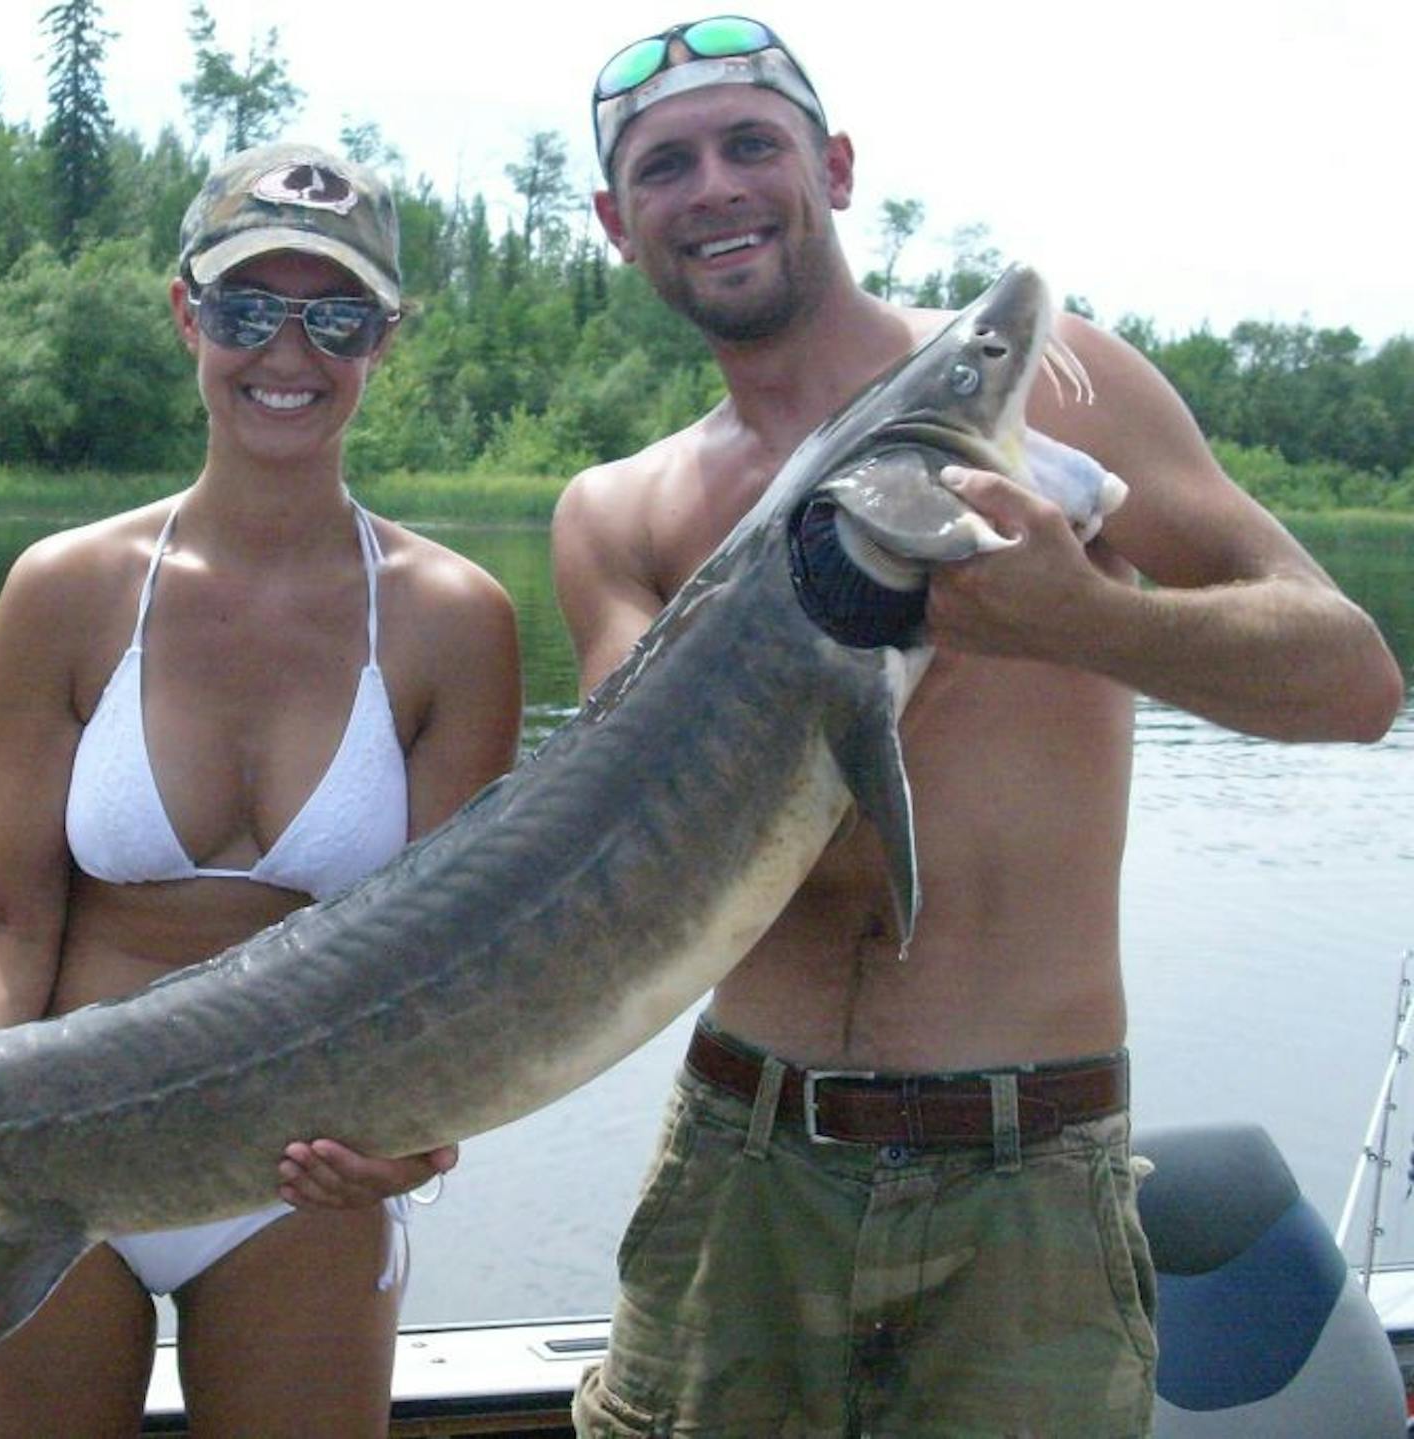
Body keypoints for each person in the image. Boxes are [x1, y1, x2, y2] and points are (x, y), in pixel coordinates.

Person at [554, 16, 1405, 1437]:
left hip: (1032, 1177)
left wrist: (1075, 616)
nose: (713, 187)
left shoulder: (1056, 381)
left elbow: (1353, 682)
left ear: (830, 167)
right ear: (614, 220)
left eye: (750, 144)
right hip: (740, 1164)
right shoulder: (620, 513)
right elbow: (642, 868)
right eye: (665, 165)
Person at [0, 141, 522, 1437]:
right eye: (250, 308)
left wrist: (418, 1138)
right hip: (34, 1148)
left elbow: (460, 970)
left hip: (301, 1177)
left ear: (385, 338)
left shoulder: (452, 624)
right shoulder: (67, 592)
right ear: (189, 312)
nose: (288, 355)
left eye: (337, 317)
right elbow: (7, 926)